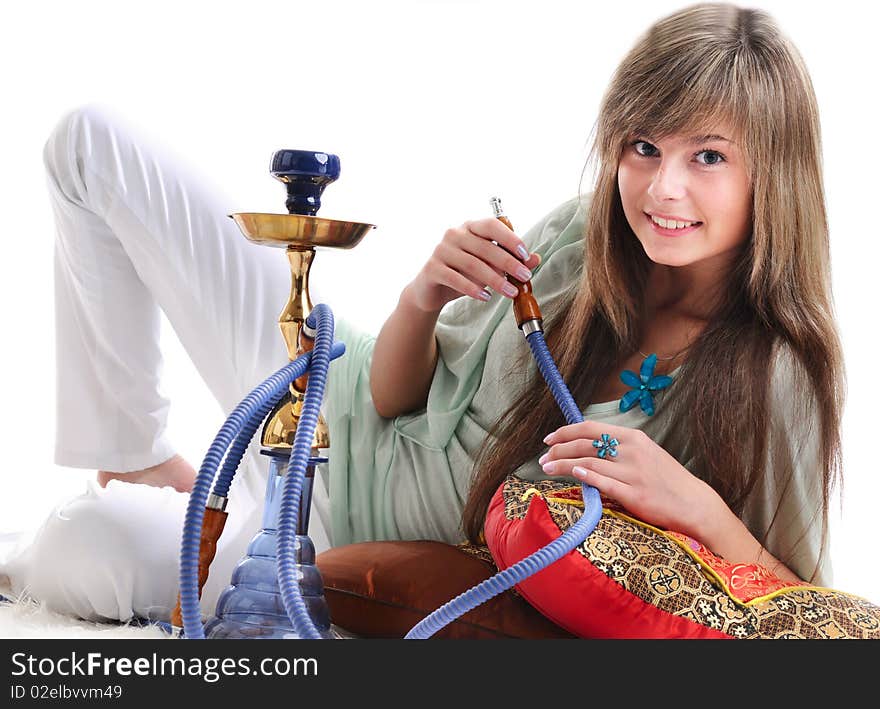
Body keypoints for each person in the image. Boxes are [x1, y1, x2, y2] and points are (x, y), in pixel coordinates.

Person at [0, 1, 842, 626]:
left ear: (775, 173)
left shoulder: (774, 375)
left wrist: (692, 501)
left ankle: (194, 511)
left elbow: (804, 607)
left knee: (77, 548)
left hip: (329, 551)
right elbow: (391, 397)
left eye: (709, 157)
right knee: (90, 143)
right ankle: (139, 456)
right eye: (644, 146)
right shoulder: (572, 238)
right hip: (329, 399)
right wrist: (422, 294)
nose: (663, 188)